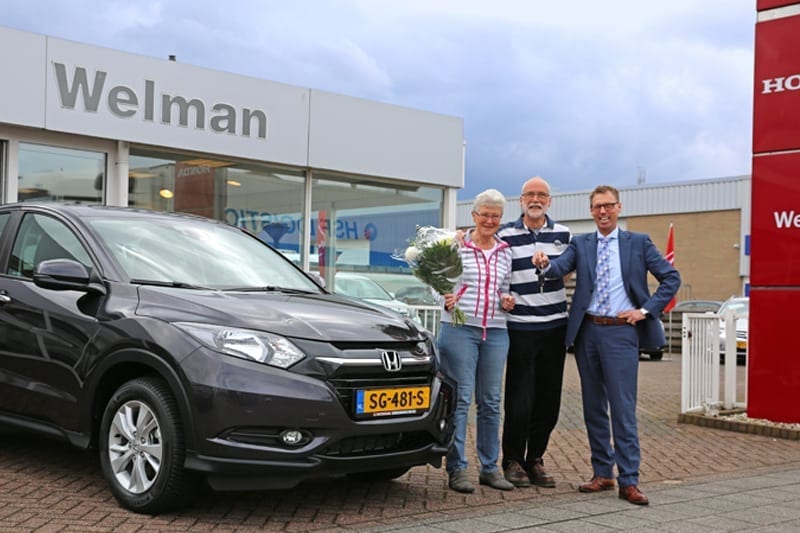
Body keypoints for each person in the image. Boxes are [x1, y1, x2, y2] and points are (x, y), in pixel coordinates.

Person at [532, 184, 680, 506]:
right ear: (591, 211)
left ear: (618, 207)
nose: (603, 211)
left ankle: (629, 480)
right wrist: (544, 264)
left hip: (621, 333)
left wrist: (645, 311)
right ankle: (603, 473)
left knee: (622, 407)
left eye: (608, 205)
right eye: (598, 206)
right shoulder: (581, 243)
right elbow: (559, 269)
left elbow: (671, 278)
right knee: (593, 407)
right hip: (587, 332)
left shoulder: (638, 243)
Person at [496, 176, 572, 488]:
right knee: (519, 399)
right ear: (521, 200)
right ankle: (512, 460)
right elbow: (496, 273)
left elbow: (568, 273)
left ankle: (535, 459)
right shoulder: (505, 234)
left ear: (550, 201)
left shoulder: (564, 235)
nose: (536, 199)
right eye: (530, 194)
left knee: (548, 400)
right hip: (521, 328)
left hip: (555, 326)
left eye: (541, 195)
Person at [440, 188, 516, 493]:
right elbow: (438, 281)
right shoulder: (456, 245)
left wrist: (508, 300)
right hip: (459, 329)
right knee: (460, 400)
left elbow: (505, 288)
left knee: (491, 402)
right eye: (484, 214)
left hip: (496, 331)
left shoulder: (506, 251)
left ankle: (489, 468)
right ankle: (457, 467)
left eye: (495, 216)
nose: (489, 220)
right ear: (474, 215)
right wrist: (444, 298)